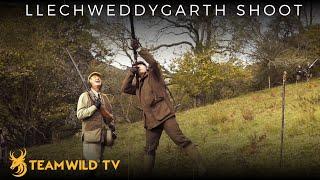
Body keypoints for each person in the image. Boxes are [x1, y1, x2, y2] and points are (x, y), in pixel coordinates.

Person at [121, 40, 207, 176]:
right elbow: (124, 88)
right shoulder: (137, 87)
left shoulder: (154, 75)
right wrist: (131, 73)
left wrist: (140, 50)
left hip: (165, 115)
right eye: (136, 66)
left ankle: (201, 167)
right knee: (149, 149)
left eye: (140, 65)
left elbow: (154, 63)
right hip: (151, 122)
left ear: (145, 67)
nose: (138, 67)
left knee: (181, 140)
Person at [77, 72, 113, 163]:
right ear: (90, 82)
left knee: (99, 163)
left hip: (103, 136)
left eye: (99, 77)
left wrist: (112, 128)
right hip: (91, 136)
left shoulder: (105, 97)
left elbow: (110, 115)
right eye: (94, 77)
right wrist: (94, 107)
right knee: (90, 166)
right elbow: (80, 114)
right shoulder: (84, 96)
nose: (97, 78)